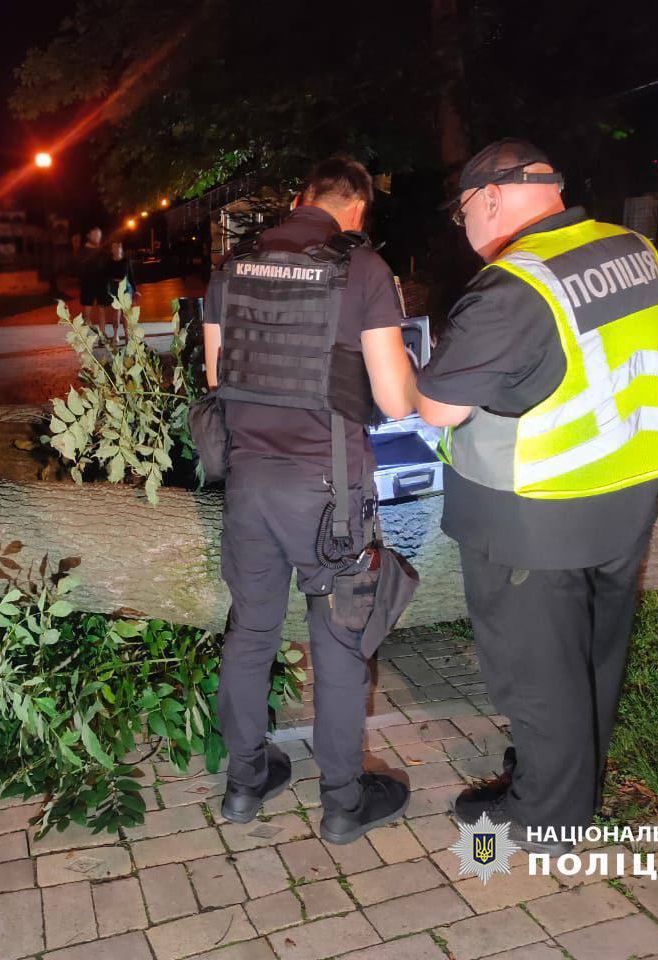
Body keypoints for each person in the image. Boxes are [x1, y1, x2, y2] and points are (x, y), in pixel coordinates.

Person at [415, 139, 658, 852]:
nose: (464, 226)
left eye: (462, 210)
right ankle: (567, 776)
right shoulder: (631, 248)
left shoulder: (511, 286)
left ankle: (548, 818)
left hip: (536, 514)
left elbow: (438, 408)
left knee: (537, 673)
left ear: (493, 198)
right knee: (593, 655)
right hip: (627, 487)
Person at [202, 157, 422, 844]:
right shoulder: (362, 270)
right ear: (357, 209)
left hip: (247, 484)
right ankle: (342, 804)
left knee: (251, 634)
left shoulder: (232, 266)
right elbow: (392, 399)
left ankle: (244, 785)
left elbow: (218, 377)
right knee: (338, 644)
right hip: (329, 494)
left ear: (300, 199)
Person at [77, 227, 109, 338]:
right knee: (87, 312)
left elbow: (107, 265)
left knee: (102, 309)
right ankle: (86, 336)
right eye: (94, 235)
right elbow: (79, 267)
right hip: (88, 283)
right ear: (89, 236)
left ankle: (103, 335)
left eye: (98, 235)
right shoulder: (83, 250)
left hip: (101, 283)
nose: (97, 238)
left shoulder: (103, 250)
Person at [105, 240, 138, 344]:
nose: (117, 249)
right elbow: (106, 277)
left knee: (126, 313)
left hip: (126, 287)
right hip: (114, 287)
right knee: (116, 312)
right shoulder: (109, 262)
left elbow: (131, 275)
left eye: (118, 246)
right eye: (114, 247)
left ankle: (127, 336)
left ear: (121, 248)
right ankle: (115, 335)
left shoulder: (126, 260)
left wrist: (135, 290)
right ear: (111, 250)